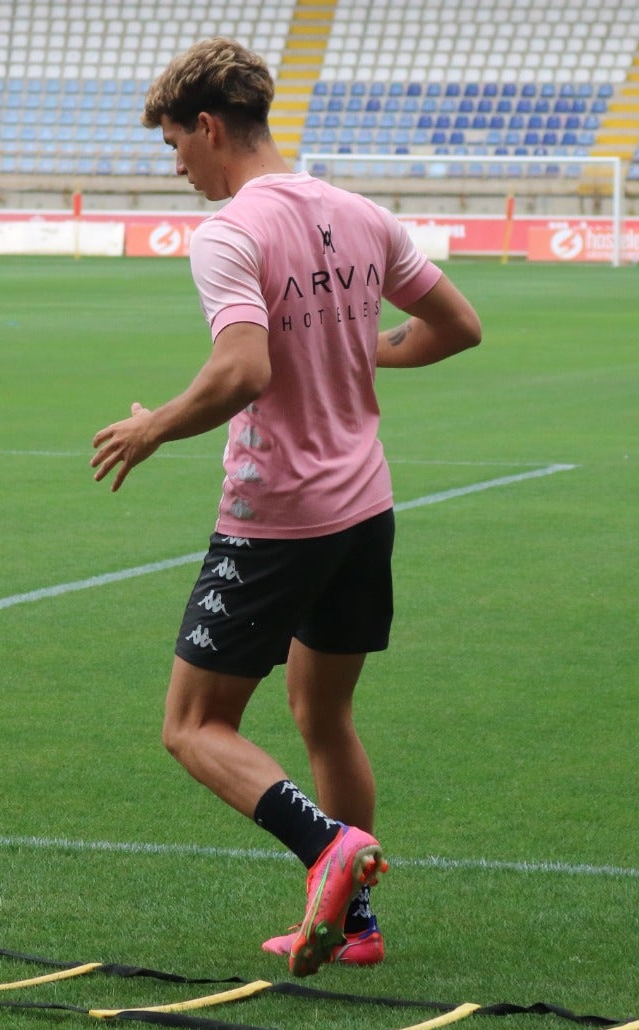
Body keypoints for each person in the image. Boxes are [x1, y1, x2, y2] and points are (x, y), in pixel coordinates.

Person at [90, 39, 482, 976]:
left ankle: (325, 849)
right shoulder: (357, 213)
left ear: (210, 127)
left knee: (192, 724)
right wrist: (359, 348)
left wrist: (153, 429)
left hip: (278, 516)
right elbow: (458, 326)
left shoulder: (230, 233)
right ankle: (357, 924)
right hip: (365, 507)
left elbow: (243, 370)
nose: (175, 164)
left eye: (175, 143)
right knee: (325, 717)